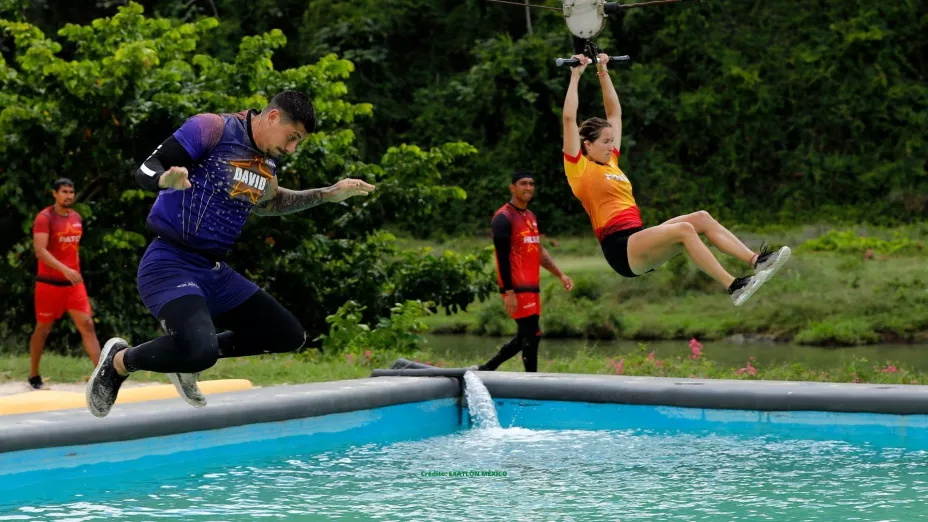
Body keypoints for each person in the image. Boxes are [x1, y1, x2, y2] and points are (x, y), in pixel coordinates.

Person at [86, 90, 376, 418]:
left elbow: (268, 203)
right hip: (170, 263)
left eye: (300, 142)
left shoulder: (268, 157)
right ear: (272, 117)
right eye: (292, 137)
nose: (292, 148)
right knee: (201, 350)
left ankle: (185, 358)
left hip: (215, 272)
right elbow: (146, 168)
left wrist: (327, 194)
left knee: (288, 335)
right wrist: (165, 180)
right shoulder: (212, 128)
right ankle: (120, 361)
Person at [561, 53, 790, 306]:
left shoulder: (611, 160)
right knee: (685, 230)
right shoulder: (578, 169)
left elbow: (615, 112)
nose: (611, 145)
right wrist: (575, 75)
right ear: (587, 145)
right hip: (620, 249)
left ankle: (756, 260)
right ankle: (734, 285)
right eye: (605, 141)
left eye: (611, 141)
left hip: (638, 238)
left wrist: (603, 71)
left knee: (701, 217)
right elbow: (569, 119)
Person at [472, 171, 573, 373]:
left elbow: (538, 251)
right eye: (523, 183)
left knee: (523, 337)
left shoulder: (530, 216)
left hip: (532, 287)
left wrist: (560, 274)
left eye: (531, 184)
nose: (528, 187)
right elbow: (501, 257)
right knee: (533, 334)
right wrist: (509, 292)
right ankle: (531, 381)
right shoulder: (503, 218)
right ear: (512, 188)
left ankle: (486, 369)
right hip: (516, 288)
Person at [29, 178, 101, 389]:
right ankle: (33, 375)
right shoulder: (44, 218)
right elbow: (40, 251)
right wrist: (65, 270)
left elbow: (72, 250)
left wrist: (74, 272)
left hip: (73, 285)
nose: (69, 196)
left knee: (87, 325)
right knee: (43, 329)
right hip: (48, 284)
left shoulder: (77, 218)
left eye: (71, 191)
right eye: (64, 192)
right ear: (55, 194)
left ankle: (102, 376)